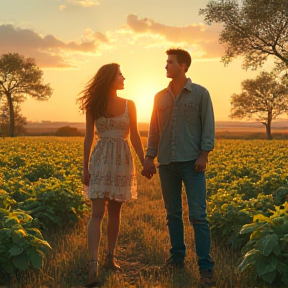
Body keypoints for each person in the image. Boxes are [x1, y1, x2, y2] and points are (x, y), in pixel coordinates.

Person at [142, 49, 216, 287]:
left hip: (192, 164)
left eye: (170, 63)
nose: (166, 66)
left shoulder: (201, 94)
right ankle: (177, 259)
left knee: (198, 216)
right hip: (166, 165)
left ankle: (205, 268)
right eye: (166, 62)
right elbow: (154, 130)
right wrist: (149, 157)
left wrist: (204, 154)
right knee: (172, 214)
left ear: (183, 66)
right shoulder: (158, 97)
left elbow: (208, 127)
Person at [77, 63, 145, 287]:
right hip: (118, 160)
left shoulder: (94, 105)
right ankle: (107, 258)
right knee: (113, 212)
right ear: (110, 79)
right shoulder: (129, 105)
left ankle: (95, 262)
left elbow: (89, 138)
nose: (124, 77)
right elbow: (133, 136)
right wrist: (143, 161)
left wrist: (86, 167)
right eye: (120, 75)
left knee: (98, 214)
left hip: (101, 159)